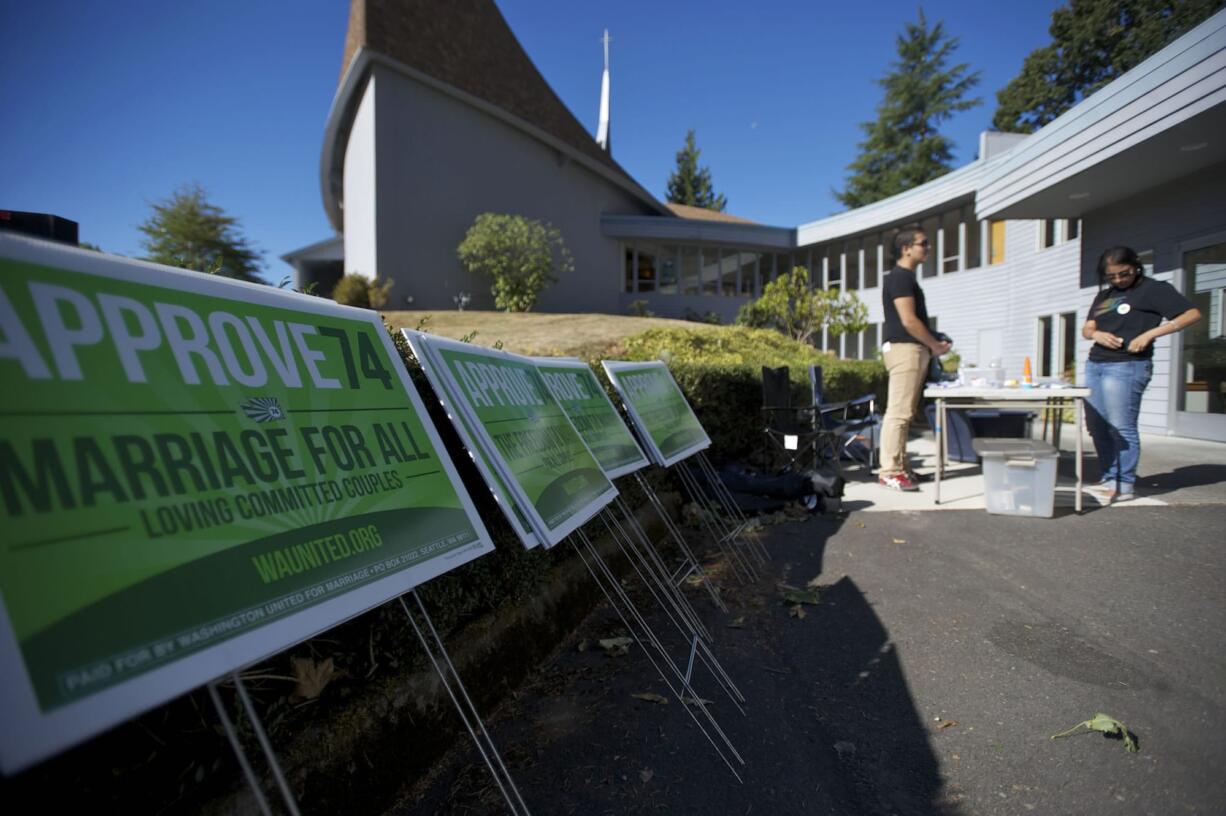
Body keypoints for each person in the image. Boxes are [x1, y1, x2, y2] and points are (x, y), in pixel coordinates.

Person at [1082, 246, 1200, 502]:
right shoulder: (1105, 295)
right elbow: (1088, 327)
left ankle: (1124, 484)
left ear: (1136, 266)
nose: (1118, 280)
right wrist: (1096, 334)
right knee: (1097, 426)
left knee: (1121, 427)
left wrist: (1149, 335)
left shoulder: (1154, 289)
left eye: (1123, 274)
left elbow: (1192, 314)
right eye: (1111, 276)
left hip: (1127, 366)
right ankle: (1108, 475)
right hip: (1096, 364)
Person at [878, 228, 950, 491]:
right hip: (905, 349)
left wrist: (934, 339)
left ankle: (900, 466)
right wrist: (934, 346)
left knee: (905, 413)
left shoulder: (906, 278)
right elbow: (908, 320)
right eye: (924, 243)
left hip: (912, 349)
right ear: (906, 248)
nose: (928, 248)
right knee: (898, 412)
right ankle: (890, 471)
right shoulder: (899, 278)